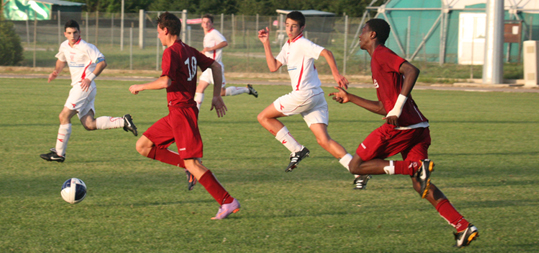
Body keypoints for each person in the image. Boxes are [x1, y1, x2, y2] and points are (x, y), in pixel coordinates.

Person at [328, 18, 478, 247]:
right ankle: (462, 226)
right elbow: (383, 108)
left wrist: (397, 109)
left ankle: (415, 167)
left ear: (373, 35)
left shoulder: (381, 54)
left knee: (356, 166)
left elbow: (411, 70)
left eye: (363, 31)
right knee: (420, 184)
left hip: (402, 128)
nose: (359, 35)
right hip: (418, 128)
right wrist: (350, 98)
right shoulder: (377, 60)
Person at [128, 12, 240, 220]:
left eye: (159, 31)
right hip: (177, 113)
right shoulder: (189, 50)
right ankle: (188, 168)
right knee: (143, 146)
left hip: (183, 113)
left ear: (166, 30)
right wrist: (216, 96)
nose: (158, 35)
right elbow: (215, 66)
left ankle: (227, 201)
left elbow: (165, 82)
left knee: (193, 163)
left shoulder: (171, 52)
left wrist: (139, 87)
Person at [256, 11, 359, 185]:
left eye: (294, 26)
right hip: (316, 96)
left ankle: (297, 149)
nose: (289, 29)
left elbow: (327, 52)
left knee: (263, 117)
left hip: (304, 94)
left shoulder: (302, 43)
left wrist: (336, 74)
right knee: (324, 140)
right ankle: (358, 171)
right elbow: (273, 66)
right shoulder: (288, 45)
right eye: (287, 25)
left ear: (302, 27)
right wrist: (266, 43)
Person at [40, 20, 137, 163]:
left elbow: (102, 63)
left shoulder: (86, 47)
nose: (72, 35)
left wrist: (89, 78)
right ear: (64, 34)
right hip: (81, 88)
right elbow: (61, 59)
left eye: (75, 32)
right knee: (89, 124)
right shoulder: (64, 46)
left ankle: (59, 154)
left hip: (84, 87)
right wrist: (56, 71)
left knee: (64, 116)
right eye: (69, 33)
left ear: (80, 32)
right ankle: (123, 121)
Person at [194, 14, 258, 111]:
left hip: (215, 67)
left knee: (221, 92)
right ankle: (194, 114)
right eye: (204, 22)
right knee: (199, 89)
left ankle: (247, 89)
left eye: (208, 22)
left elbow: (224, 42)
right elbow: (209, 51)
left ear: (212, 23)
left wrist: (210, 48)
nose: (206, 24)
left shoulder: (214, 32)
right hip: (208, 68)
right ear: (201, 24)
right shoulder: (207, 35)